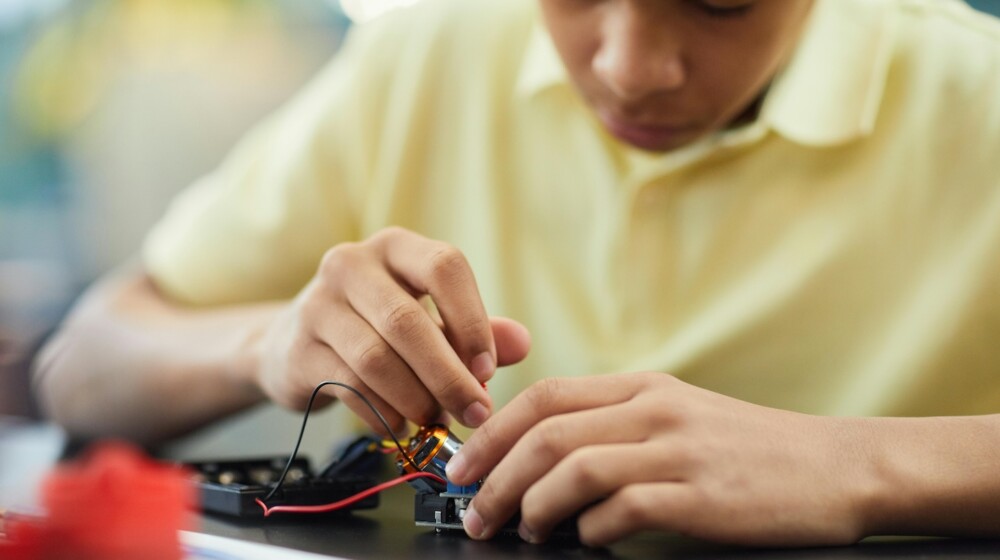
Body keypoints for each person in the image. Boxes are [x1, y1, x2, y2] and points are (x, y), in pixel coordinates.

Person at [33, 0, 1000, 548]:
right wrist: (267, 340)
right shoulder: (428, 53)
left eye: (719, 0)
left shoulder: (979, 98)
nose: (629, 66)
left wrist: (859, 462)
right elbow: (76, 366)